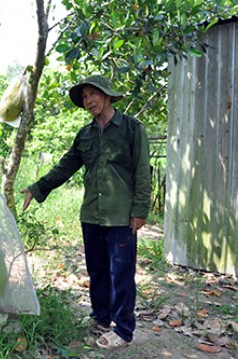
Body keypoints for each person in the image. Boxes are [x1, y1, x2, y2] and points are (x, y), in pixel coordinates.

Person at [21, 75, 151, 349]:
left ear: (107, 95)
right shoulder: (85, 134)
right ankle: (101, 317)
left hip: (121, 215)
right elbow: (65, 166)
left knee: (121, 273)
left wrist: (139, 211)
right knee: (97, 270)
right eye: (84, 97)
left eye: (93, 94)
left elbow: (142, 172)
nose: (88, 100)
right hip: (91, 214)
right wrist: (37, 187)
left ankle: (124, 330)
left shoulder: (131, 128)